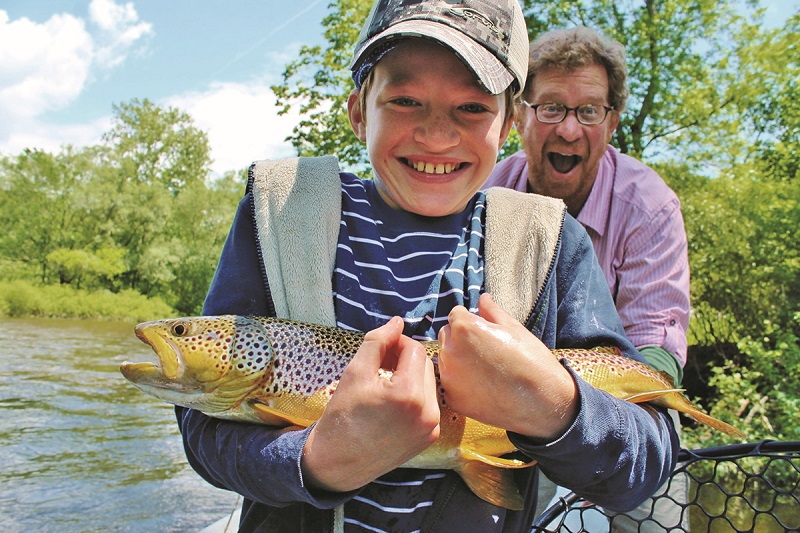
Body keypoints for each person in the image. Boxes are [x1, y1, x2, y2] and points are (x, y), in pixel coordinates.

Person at [176, 2, 679, 532]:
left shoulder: (552, 243)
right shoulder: (280, 212)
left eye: (472, 108)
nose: (437, 135)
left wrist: (555, 409)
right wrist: (317, 460)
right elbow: (204, 429)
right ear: (357, 110)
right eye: (405, 100)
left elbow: (642, 466)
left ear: (509, 123)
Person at [484, 27, 691, 531]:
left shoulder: (649, 205)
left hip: (629, 405)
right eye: (550, 107)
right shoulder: (486, 193)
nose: (569, 130)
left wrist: (587, 410)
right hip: (508, 412)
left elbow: (657, 344)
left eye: (589, 111)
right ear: (519, 116)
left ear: (612, 122)